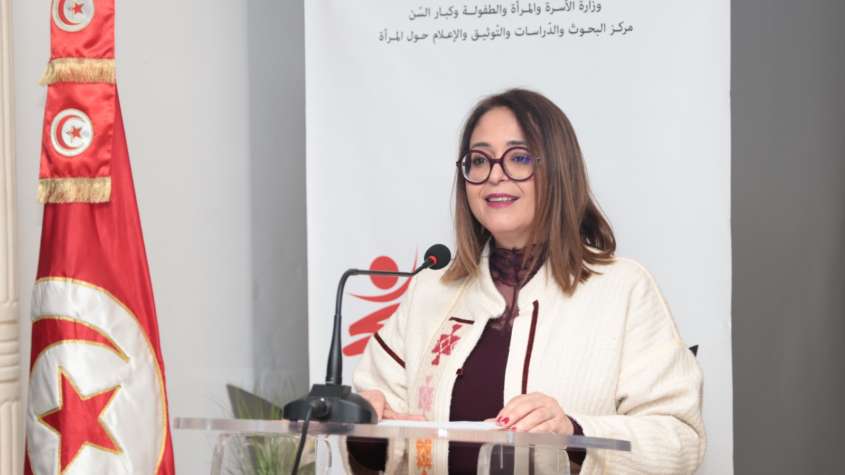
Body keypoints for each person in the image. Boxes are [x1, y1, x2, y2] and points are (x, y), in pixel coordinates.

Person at [350, 89, 705, 474]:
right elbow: (378, 430)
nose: (494, 175)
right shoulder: (429, 292)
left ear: (558, 169)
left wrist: (573, 432)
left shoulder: (623, 289)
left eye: (518, 158)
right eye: (479, 160)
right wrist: (366, 432)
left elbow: (680, 441)